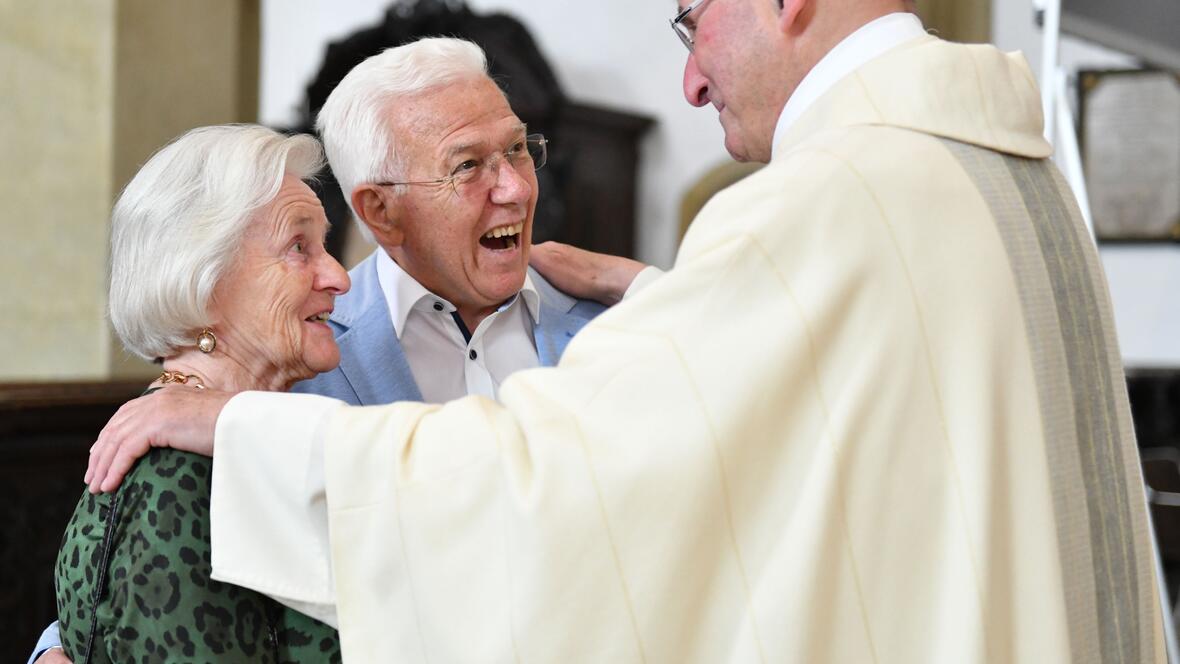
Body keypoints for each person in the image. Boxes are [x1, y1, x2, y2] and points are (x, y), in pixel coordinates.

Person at [86, 3, 1165, 662]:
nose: (691, 75)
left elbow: (559, 489)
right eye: (467, 166)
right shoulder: (1000, 169)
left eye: (693, 19)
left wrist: (255, 438)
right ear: (378, 209)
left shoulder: (825, 202)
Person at [30, 38, 606, 663]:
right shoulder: (300, 355)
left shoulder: (620, 326)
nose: (517, 190)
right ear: (381, 211)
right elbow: (150, 589)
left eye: (518, 150)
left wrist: (648, 289)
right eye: (467, 165)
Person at [52, 124, 348, 662]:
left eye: (325, 245)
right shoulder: (176, 475)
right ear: (204, 279)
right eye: (299, 247)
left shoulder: (238, 446)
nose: (338, 277)